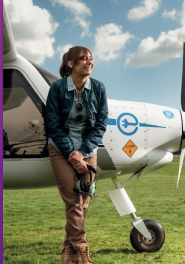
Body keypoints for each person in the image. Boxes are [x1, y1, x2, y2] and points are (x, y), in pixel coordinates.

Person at [46, 46, 108, 264]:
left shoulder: (98, 88)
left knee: (83, 202)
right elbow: (53, 125)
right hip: (60, 149)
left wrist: (81, 153)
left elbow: (100, 125)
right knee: (74, 201)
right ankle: (81, 251)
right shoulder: (57, 89)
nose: (89, 62)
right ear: (71, 64)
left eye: (91, 59)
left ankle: (67, 249)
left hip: (87, 149)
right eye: (83, 59)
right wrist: (71, 154)